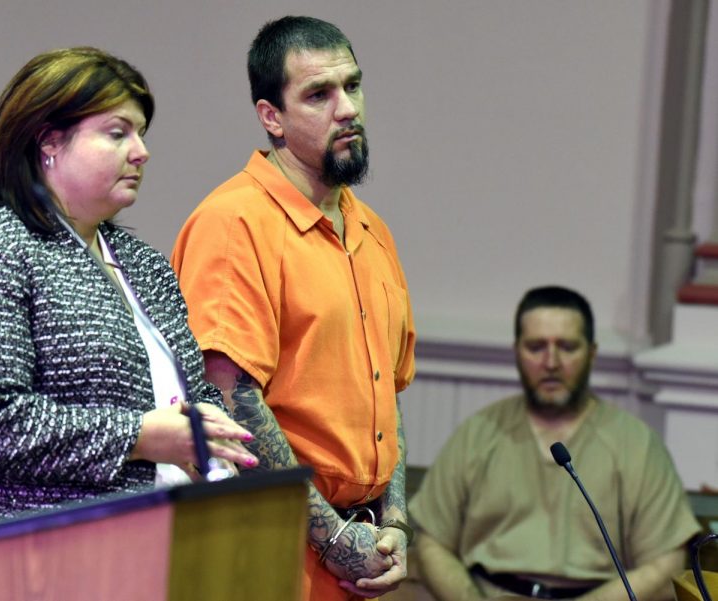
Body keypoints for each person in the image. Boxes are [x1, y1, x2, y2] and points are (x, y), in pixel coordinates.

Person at [0, 47, 257, 533]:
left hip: (133, 547)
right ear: (49, 143)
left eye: (141, 133)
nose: (141, 151)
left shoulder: (143, 265)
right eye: (117, 133)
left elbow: (186, 393)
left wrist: (207, 435)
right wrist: (137, 437)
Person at [171, 16, 416, 601]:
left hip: (362, 546)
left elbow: (387, 396)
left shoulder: (370, 227)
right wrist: (331, 536)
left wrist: (397, 524)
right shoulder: (234, 222)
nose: (347, 108)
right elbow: (230, 402)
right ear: (270, 116)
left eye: (352, 86)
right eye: (319, 94)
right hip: (268, 548)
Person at [408, 285, 701, 601]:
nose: (551, 362)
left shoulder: (636, 444)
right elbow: (431, 542)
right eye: (536, 347)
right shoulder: (478, 433)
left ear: (592, 353)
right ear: (517, 351)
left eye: (567, 346)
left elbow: (666, 562)